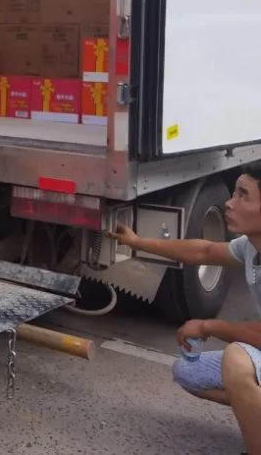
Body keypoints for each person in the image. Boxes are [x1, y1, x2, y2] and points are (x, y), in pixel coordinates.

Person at [109, 167, 261, 455]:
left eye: (244, 196)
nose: (230, 203)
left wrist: (207, 326)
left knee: (237, 359)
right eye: (234, 192)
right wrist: (137, 242)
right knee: (190, 372)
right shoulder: (250, 246)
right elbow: (203, 251)